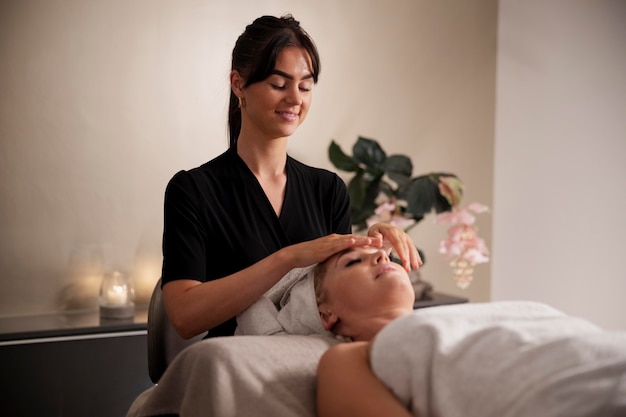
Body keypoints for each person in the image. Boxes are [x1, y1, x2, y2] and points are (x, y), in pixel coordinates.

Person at [161, 14, 421, 340]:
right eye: (279, 84)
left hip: (314, 367)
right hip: (236, 369)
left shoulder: (327, 189)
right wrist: (287, 258)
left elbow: (334, 300)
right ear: (239, 84)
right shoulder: (193, 191)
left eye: (305, 86)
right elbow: (185, 317)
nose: (295, 99)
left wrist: (365, 246)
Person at [313, 246, 626, 417]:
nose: (383, 255)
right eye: (353, 261)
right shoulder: (350, 357)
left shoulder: (465, 313)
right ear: (327, 314)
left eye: (386, 254)